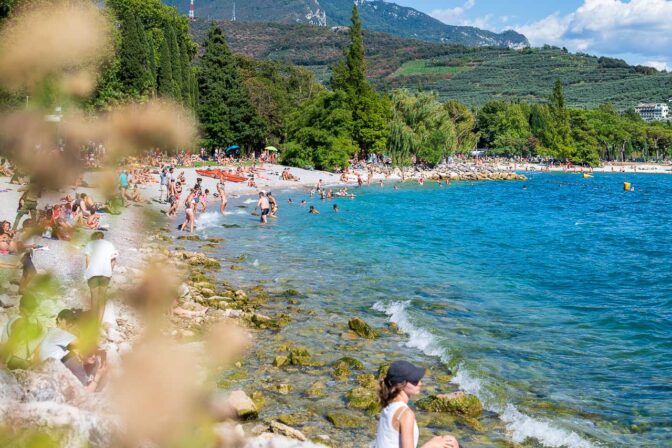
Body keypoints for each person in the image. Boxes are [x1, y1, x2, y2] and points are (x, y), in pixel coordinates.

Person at [375, 360, 460, 448]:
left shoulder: (388, 406)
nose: (420, 383)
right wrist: (431, 444)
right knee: (451, 443)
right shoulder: (405, 414)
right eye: (414, 381)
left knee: (448, 440)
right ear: (400, 385)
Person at [83, 232, 119, 322]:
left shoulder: (90, 244)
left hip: (93, 274)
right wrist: (109, 272)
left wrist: (88, 274)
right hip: (105, 274)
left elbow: (88, 261)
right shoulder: (110, 245)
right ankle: (99, 323)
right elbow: (113, 260)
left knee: (94, 298)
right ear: (102, 237)